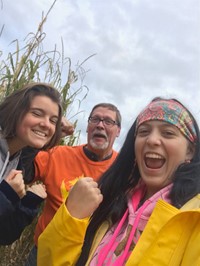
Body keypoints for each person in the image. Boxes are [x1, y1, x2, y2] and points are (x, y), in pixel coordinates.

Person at [37, 97, 200, 266]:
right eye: (144, 132)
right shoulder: (111, 199)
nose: (152, 140)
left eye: (168, 133)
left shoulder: (193, 219)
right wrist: (71, 216)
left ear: (190, 151)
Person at [25, 102, 121, 265]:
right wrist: (50, 135)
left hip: (90, 259)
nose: (100, 125)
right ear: (87, 127)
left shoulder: (124, 169)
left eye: (108, 121)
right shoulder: (57, 154)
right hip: (44, 254)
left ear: (118, 131)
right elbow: (21, 169)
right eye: (94, 119)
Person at [0, 82, 63, 245]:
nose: (46, 124)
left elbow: (5, 235)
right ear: (15, 111)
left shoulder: (16, 162)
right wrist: (6, 194)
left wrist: (28, 203)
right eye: (37, 113)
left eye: (53, 120)